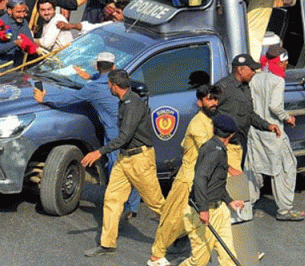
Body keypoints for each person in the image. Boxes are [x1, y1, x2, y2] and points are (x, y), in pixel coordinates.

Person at [35, 53, 142, 219]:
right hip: (133, 128)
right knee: (132, 167)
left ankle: (123, 207)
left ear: (97, 66)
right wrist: (90, 77)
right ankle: (132, 206)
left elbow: (70, 98)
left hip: (115, 132)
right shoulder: (119, 79)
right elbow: (104, 77)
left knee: (117, 168)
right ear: (113, 67)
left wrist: (45, 98)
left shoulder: (94, 88)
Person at [147, 84, 243, 266]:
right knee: (172, 219)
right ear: (200, 102)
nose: (214, 103)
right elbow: (209, 153)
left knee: (199, 221)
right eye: (209, 99)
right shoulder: (198, 124)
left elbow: (188, 149)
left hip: (204, 178)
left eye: (215, 99)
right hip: (189, 180)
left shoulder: (214, 122)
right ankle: (156, 255)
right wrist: (231, 168)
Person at [80, 69, 165, 257]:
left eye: (109, 84)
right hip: (124, 158)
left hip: (139, 160)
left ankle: (181, 234)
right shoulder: (124, 100)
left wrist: (99, 152)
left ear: (114, 86)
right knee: (112, 199)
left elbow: (125, 136)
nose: (108, 87)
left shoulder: (132, 104)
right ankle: (107, 243)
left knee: (156, 202)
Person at [246, 46, 305, 221]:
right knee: (286, 167)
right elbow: (275, 106)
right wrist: (288, 117)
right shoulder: (277, 80)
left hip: (255, 129)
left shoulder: (255, 78)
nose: (287, 64)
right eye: (285, 61)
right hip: (273, 131)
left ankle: (246, 207)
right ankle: (285, 209)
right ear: (280, 61)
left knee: (253, 168)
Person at [179, 114, 245, 266]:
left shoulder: (216, 148)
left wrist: (230, 201)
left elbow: (216, 182)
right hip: (204, 210)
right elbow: (200, 178)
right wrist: (203, 209)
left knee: (229, 257)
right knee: (199, 262)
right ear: (231, 135)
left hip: (219, 209)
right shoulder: (214, 151)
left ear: (214, 130)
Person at [215, 54, 282, 163]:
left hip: (240, 143)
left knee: (237, 176)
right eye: (251, 69)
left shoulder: (245, 88)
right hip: (226, 144)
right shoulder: (223, 87)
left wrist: (268, 126)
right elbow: (209, 111)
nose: (254, 73)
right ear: (240, 70)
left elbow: (249, 114)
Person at [0, 0, 36, 69]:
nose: (22, 15)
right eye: (18, 12)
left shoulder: (24, 22)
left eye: (24, 11)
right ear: (9, 10)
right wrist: (14, 43)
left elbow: (29, 41)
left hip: (16, 67)